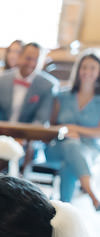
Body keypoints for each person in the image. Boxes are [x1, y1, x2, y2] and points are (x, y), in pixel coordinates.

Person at [44, 49, 100, 209]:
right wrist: (66, 131)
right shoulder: (62, 96)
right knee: (70, 145)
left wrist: (75, 129)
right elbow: (51, 125)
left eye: (92, 68)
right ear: (78, 69)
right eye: (84, 67)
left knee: (69, 165)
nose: (87, 72)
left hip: (89, 149)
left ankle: (63, 208)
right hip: (57, 146)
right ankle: (93, 195)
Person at [0, 42, 58, 124]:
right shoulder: (0, 80)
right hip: (0, 131)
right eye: (28, 58)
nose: (31, 63)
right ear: (19, 57)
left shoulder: (48, 86)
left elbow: (41, 120)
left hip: (30, 134)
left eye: (36, 60)